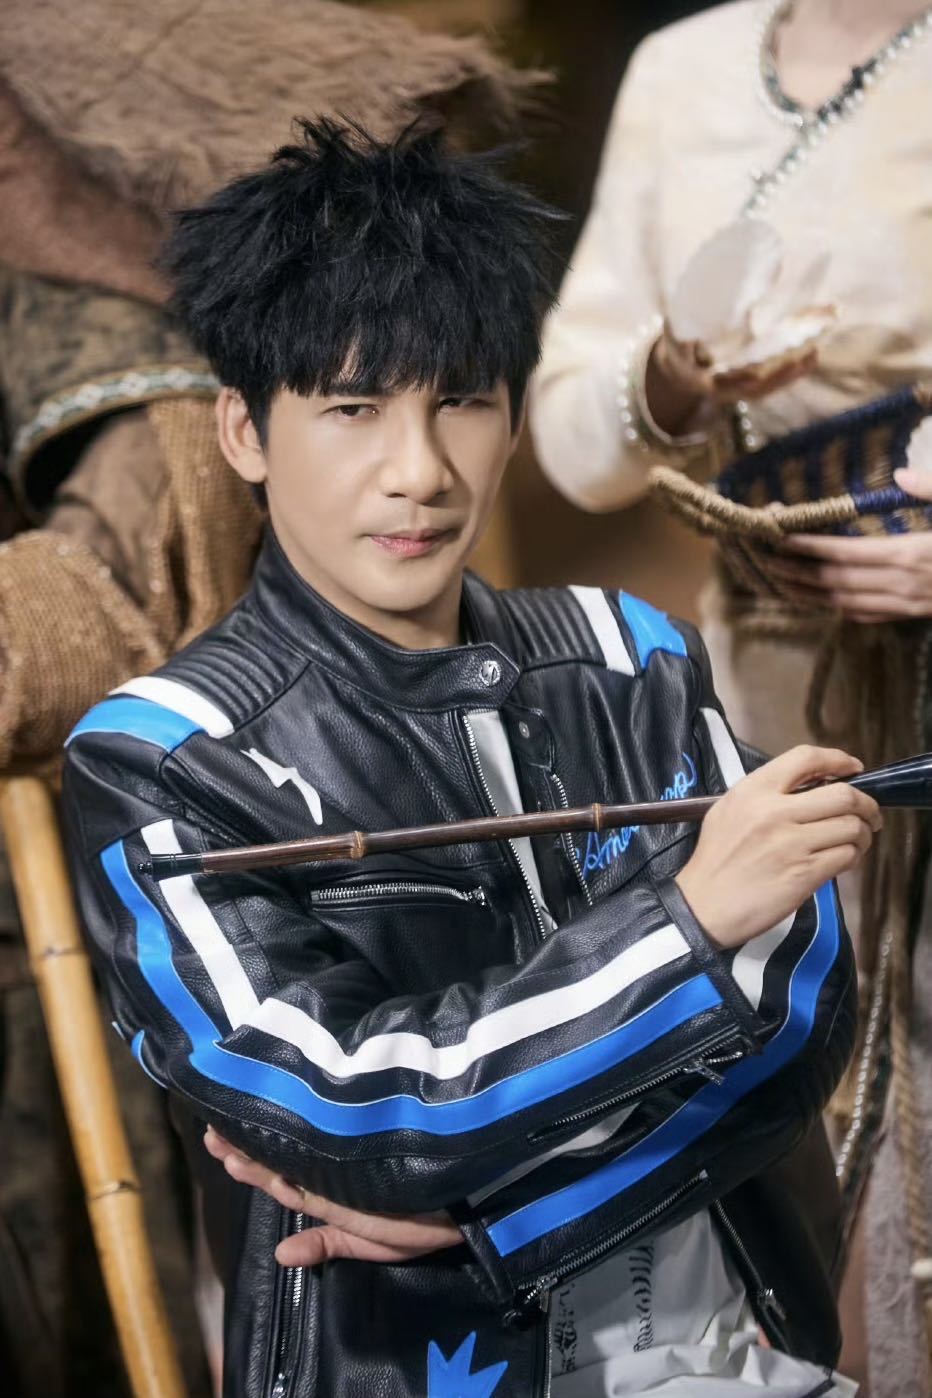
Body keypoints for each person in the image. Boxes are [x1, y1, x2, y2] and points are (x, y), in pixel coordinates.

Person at [62, 119, 877, 1397]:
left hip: (740, 1340)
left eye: (463, 401)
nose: (420, 471)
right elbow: (346, 1111)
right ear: (244, 434)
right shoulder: (161, 757)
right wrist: (685, 925)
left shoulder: (624, 651)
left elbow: (795, 1003)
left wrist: (514, 1215)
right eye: (351, 410)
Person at [528, 3, 932, 1389]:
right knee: (797, 1049)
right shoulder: (682, 71)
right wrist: (669, 375)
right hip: (765, 663)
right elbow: (572, 434)